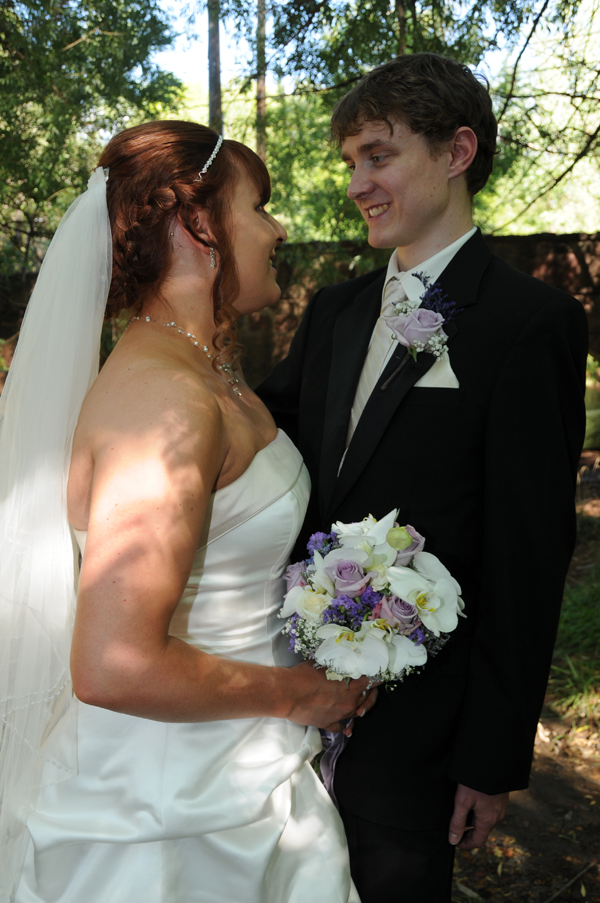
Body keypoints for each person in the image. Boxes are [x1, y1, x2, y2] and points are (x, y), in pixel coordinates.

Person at [0, 121, 376, 903]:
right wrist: (298, 692)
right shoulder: (163, 401)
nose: (276, 230)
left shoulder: (205, 374)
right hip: (167, 811)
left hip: (245, 762)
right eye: (259, 207)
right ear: (197, 222)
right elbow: (114, 662)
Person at [257, 53, 588, 903]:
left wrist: (491, 756)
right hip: (284, 718)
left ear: (457, 150)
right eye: (351, 163)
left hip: (421, 736)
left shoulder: (531, 323)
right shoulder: (334, 310)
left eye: (379, 155)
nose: (358, 184)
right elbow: (268, 445)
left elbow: (529, 553)